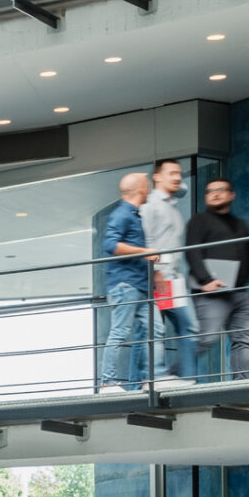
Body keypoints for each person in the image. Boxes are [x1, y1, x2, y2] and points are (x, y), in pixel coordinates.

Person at [186, 177, 249, 379]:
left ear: (231, 194)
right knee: (207, 338)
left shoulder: (241, 225)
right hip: (212, 293)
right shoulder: (199, 220)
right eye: (210, 191)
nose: (214, 193)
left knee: (242, 339)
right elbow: (192, 252)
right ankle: (174, 376)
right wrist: (205, 280)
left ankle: (241, 383)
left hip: (239, 293)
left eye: (220, 189)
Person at [98, 173, 158, 392]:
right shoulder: (122, 214)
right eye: (147, 184)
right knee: (120, 332)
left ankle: (145, 381)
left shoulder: (135, 215)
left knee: (153, 330)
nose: (150, 187)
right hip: (126, 286)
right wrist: (145, 252)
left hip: (140, 286)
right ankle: (107, 382)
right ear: (141, 188)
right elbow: (111, 244)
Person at [142, 158, 196, 384]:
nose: (177, 177)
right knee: (156, 330)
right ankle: (155, 377)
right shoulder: (150, 206)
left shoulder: (173, 209)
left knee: (189, 327)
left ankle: (188, 379)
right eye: (172, 173)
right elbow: (146, 241)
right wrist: (155, 272)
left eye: (179, 173)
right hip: (158, 278)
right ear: (157, 177)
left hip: (173, 280)